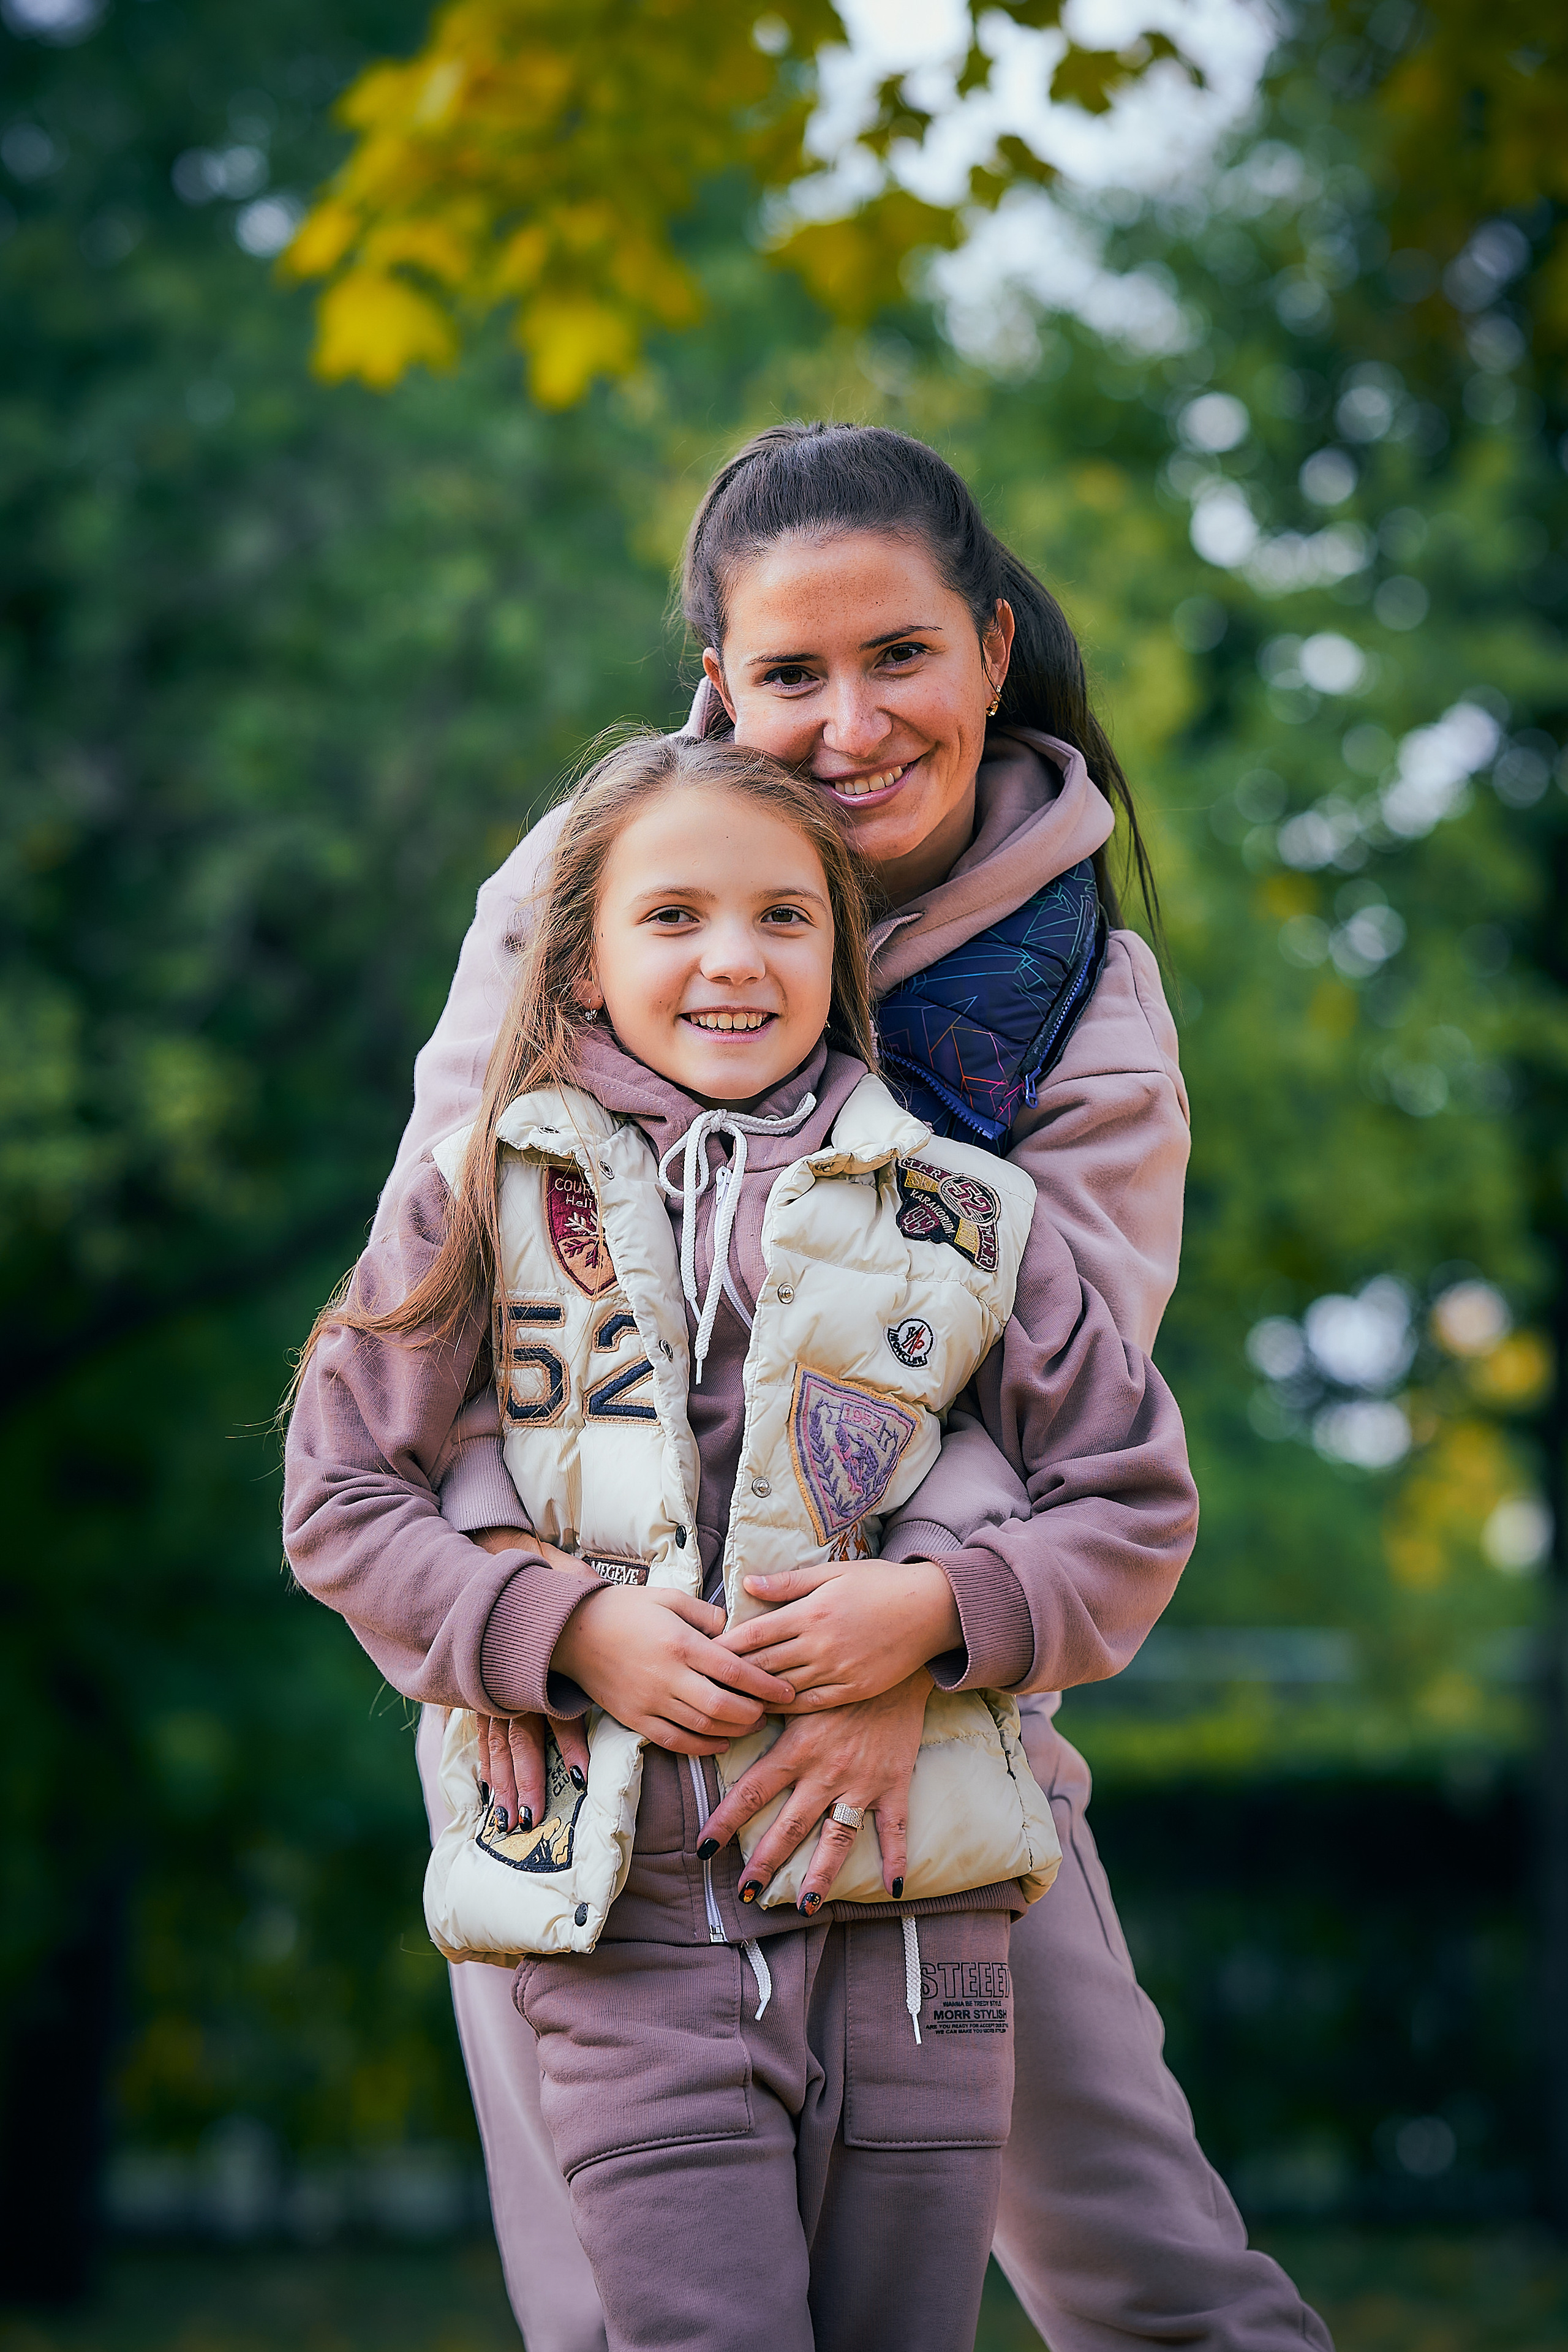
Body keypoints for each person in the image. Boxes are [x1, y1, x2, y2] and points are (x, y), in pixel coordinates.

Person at [349, 422, 1333, 2351]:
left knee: (1152, 2279)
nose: (852, 721)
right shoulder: (575, 896)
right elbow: (447, 1322)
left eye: (900, 657)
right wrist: (559, 1640)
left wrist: (912, 1657)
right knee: (629, 2322)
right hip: (574, 1750)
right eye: (791, 674)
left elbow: (1071, 1412)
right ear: (720, 682)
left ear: (989, 645)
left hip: (923, 1720)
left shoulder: (1077, 995)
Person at [284, 731, 1198, 2352]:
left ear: (845, 955)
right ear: (579, 955)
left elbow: (1131, 1501)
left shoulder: (965, 1214)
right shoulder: (485, 1195)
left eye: (786, 917)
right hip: (629, 1921)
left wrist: (936, 1613)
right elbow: (342, 1498)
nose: (733, 957)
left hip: (921, 1927)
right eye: (675, 916)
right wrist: (559, 1629)